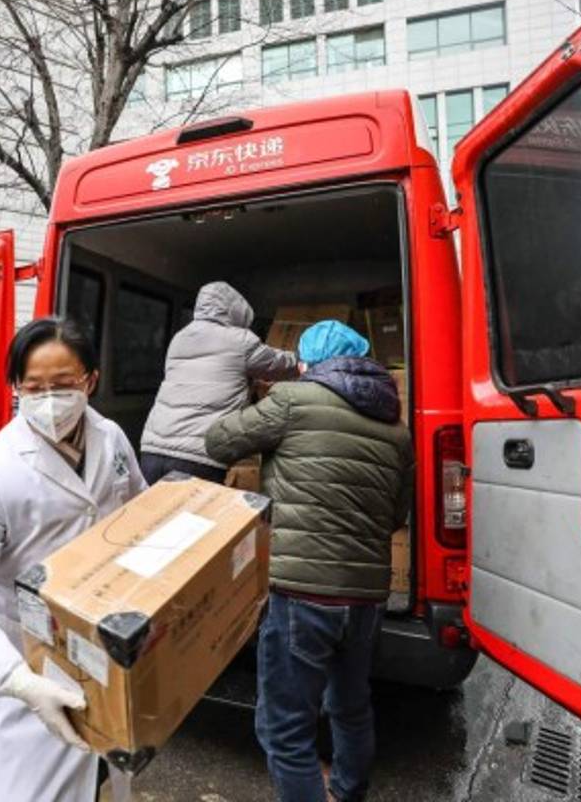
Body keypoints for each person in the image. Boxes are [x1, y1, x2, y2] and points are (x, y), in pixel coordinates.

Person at [0, 317, 148, 802]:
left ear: (90, 380)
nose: (50, 399)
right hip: (28, 665)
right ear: (15, 388)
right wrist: (17, 681)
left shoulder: (110, 438)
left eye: (64, 385)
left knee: (103, 782)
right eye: (34, 387)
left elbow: (141, 514)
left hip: (106, 653)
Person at [206, 320, 413, 802]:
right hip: (367, 596)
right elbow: (395, 516)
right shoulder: (395, 428)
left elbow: (219, 442)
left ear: (308, 363)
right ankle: (347, 792)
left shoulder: (292, 401)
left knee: (284, 729)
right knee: (351, 706)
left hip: (301, 591)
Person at [139, 281, 299, 485]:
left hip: (152, 450)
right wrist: (306, 358)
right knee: (198, 508)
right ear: (235, 311)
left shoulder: (179, 338)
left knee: (155, 506)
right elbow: (279, 365)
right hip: (199, 456)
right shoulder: (241, 340)